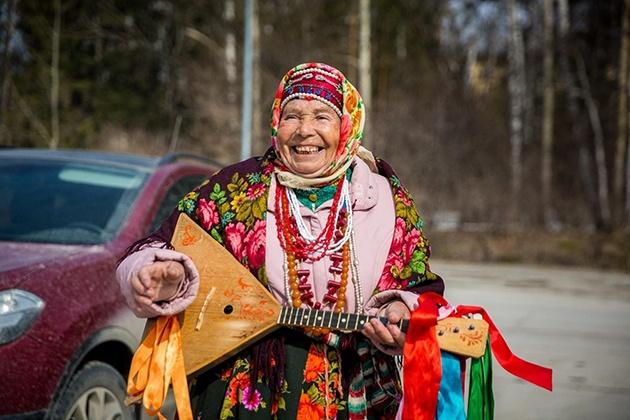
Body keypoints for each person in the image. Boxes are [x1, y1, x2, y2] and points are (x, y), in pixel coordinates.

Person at [117, 62, 445, 419]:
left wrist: (402, 311)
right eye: (292, 116)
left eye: (322, 117)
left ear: (347, 125)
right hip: (250, 392)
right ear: (276, 122)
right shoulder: (236, 190)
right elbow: (155, 248)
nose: (305, 131)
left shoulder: (385, 198)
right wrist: (158, 275)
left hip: (360, 394)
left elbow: (422, 286)